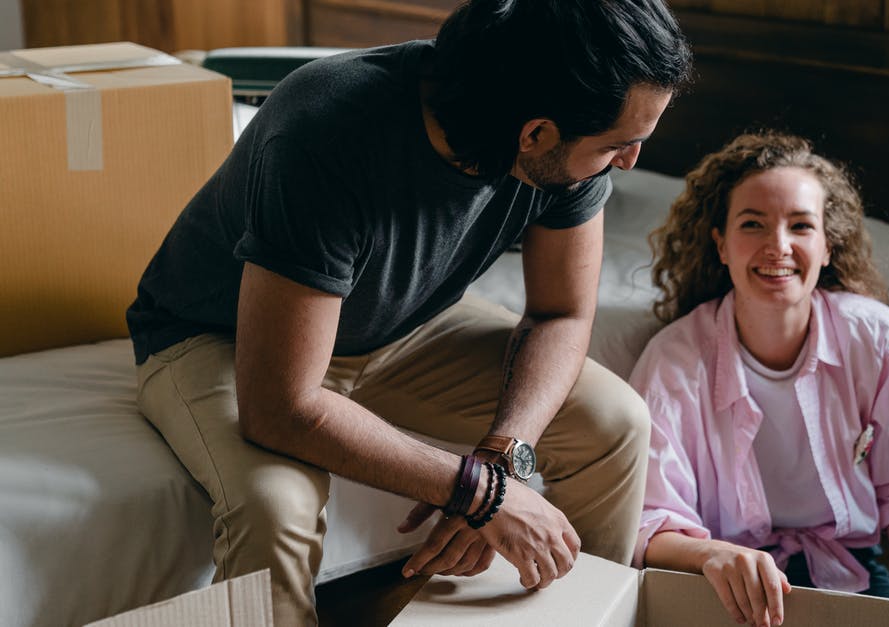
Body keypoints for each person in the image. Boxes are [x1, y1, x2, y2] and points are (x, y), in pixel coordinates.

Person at [125, 1, 691, 623]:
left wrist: (502, 460)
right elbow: (281, 408)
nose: (630, 161)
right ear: (534, 135)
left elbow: (560, 314)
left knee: (617, 424)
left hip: (403, 324)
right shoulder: (325, 129)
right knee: (275, 507)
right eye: (620, 145)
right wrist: (477, 493)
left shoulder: (560, 134)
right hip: (219, 335)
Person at [629, 132, 889, 627]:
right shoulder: (672, 359)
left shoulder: (879, 337)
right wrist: (714, 556)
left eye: (800, 225)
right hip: (723, 578)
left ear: (827, 246)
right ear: (720, 244)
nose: (777, 246)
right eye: (752, 224)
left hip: (848, 568)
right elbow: (649, 519)